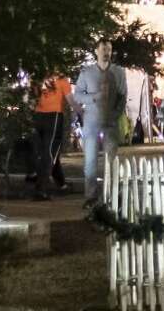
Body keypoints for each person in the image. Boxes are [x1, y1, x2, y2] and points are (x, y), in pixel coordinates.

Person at [73, 40, 127, 201]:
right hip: (91, 123)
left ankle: (111, 196)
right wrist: (94, 97)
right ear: (96, 51)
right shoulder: (86, 72)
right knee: (90, 163)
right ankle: (90, 197)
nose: (106, 52)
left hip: (110, 123)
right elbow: (77, 95)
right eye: (103, 49)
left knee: (112, 161)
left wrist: (116, 114)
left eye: (109, 49)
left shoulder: (118, 72)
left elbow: (123, 96)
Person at [30, 73, 72, 200]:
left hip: (38, 116)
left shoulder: (37, 77)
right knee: (50, 152)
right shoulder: (61, 80)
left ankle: (62, 185)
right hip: (54, 117)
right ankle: (41, 189)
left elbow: (30, 99)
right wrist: (82, 113)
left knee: (45, 152)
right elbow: (70, 100)